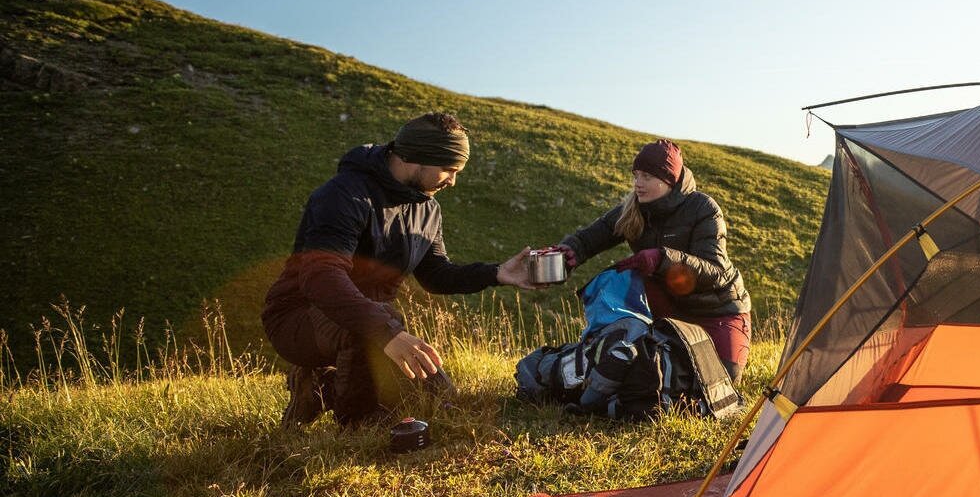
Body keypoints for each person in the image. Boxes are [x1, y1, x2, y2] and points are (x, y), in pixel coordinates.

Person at [263, 111, 539, 430]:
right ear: (416, 157)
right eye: (449, 169)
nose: (452, 181)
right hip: (300, 317)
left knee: (439, 398)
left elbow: (436, 275)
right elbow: (321, 277)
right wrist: (386, 331)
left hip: (373, 322)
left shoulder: (427, 209)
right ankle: (358, 426)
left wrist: (497, 273)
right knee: (377, 369)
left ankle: (318, 388)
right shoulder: (344, 195)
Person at [550, 139, 753, 381]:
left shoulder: (703, 208)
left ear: (668, 180)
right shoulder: (633, 209)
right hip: (670, 308)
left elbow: (715, 271)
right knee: (656, 374)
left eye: (646, 176)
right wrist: (571, 251)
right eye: (636, 175)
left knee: (723, 379)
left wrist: (661, 258)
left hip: (718, 309)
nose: (638, 183)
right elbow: (590, 239)